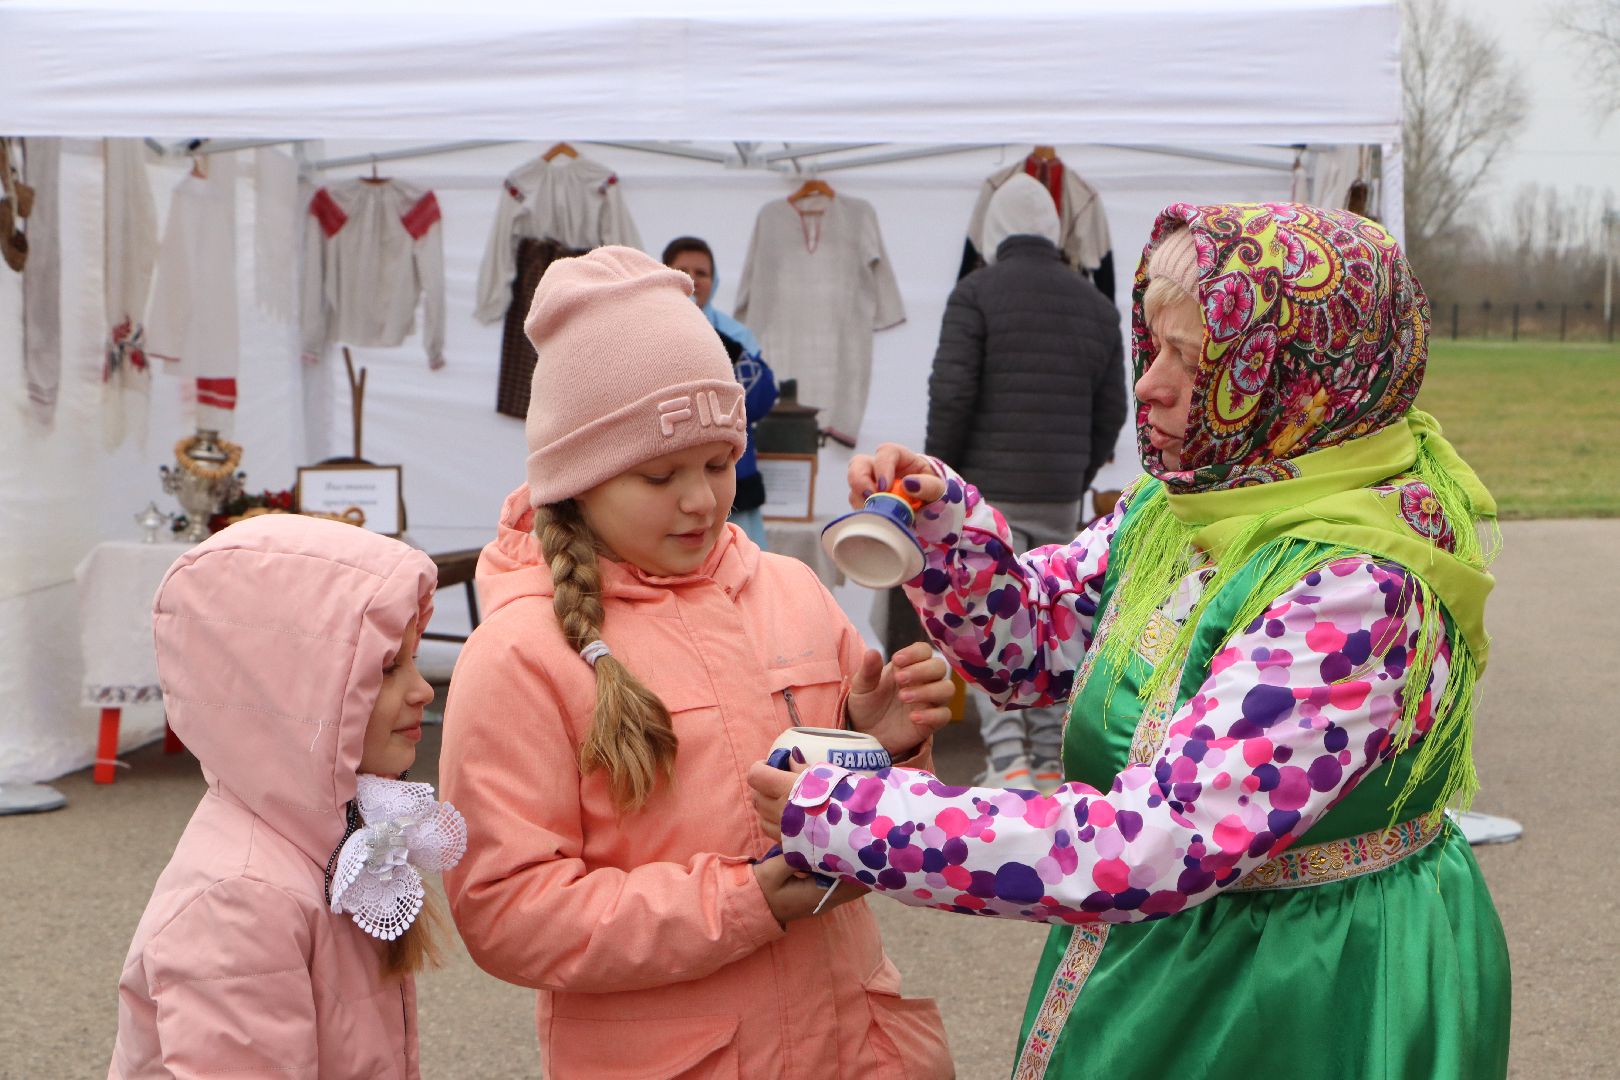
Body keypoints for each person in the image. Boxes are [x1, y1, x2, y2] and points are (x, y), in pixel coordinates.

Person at [751, 203, 1511, 1079]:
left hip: (1305, 985)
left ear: (1299, 375)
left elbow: (1154, 841)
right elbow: (1037, 643)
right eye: (1154, 345)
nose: (1150, 383)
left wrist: (854, 816)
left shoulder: (1360, 586)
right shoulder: (1197, 496)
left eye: (1196, 358)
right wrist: (942, 531)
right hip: (1177, 955)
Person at [437, 246, 954, 1079]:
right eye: (658, 473)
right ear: (576, 479)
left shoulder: (790, 589)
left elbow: (881, 821)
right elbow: (507, 911)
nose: (701, 499)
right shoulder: (520, 653)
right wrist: (741, 904)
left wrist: (885, 747)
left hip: (854, 1049)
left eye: (718, 463)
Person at [110, 515, 461, 1079]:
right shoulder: (243, 900)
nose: (422, 689)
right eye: (387, 668)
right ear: (293, 693)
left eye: (414, 662)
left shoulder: (324, 838)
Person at [925, 172, 1128, 792]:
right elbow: (1114, 408)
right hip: (1061, 493)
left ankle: (1006, 759)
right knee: (1058, 617)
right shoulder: (1095, 305)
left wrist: (938, 479)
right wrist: (1081, 472)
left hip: (990, 493)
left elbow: (952, 392)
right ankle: (1049, 764)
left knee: (995, 613)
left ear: (993, 229)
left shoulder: (976, 294)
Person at [663, 235, 779, 548]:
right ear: (664, 274)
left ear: (713, 282)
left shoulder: (737, 336)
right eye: (682, 269)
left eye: (702, 272)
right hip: (666, 474)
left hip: (732, 473)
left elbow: (761, 399)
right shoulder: (645, 333)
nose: (692, 279)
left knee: (741, 564)